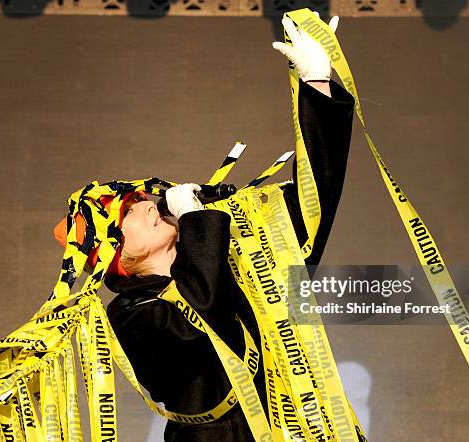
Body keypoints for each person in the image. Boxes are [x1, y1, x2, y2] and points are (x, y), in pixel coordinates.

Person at [103, 14, 356, 441]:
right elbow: (197, 317)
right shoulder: (131, 317)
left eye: (140, 198)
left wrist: (317, 87)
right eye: (128, 210)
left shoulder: (235, 260)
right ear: (117, 257)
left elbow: (313, 206)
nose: (145, 202)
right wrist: (199, 222)